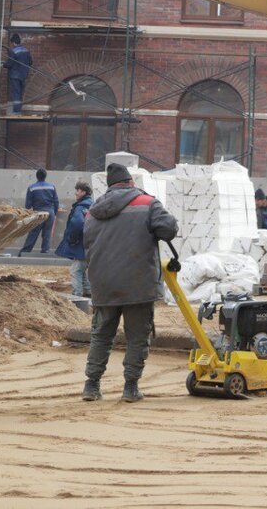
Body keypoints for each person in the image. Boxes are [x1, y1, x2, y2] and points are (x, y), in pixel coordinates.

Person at [82, 162, 179, 402]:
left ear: (110, 186)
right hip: (138, 284)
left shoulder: (93, 210)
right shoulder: (147, 203)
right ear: (131, 182)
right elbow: (168, 230)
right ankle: (130, 388)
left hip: (103, 284)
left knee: (101, 335)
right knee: (137, 336)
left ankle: (92, 386)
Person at [54, 181, 93, 298]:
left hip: (81, 244)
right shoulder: (92, 205)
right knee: (81, 269)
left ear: (83, 192)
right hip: (90, 243)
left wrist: (72, 238)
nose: (75, 193)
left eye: (77, 190)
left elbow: (77, 223)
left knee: (75, 270)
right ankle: (88, 292)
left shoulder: (80, 207)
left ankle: (77, 296)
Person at [20, 168, 59, 255]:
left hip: (38, 214)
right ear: (45, 176)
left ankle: (25, 251)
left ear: (36, 176)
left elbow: (28, 205)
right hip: (50, 213)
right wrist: (54, 213)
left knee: (33, 232)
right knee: (47, 233)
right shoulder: (52, 186)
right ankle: (45, 252)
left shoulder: (31, 188)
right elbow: (56, 201)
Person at [3, 33, 33, 114]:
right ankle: (19, 109)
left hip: (15, 75)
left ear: (13, 42)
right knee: (20, 92)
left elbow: (10, 63)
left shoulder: (14, 51)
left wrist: (3, 64)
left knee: (16, 92)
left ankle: (16, 111)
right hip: (24, 75)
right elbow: (30, 62)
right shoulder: (26, 50)